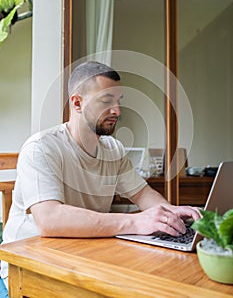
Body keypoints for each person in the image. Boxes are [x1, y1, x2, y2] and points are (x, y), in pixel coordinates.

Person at [0, 61, 200, 289]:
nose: (117, 111)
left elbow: (143, 194)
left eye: (118, 102)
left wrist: (171, 214)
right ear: (77, 103)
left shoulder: (113, 149)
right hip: (27, 269)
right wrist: (135, 221)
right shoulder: (41, 148)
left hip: (80, 258)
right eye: (106, 102)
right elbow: (50, 220)